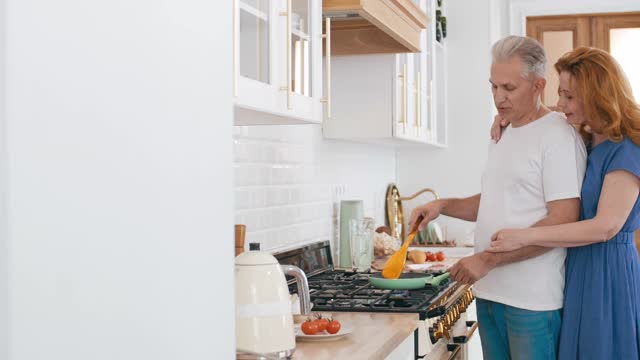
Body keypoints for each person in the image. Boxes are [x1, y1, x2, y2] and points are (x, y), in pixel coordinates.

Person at [409, 35, 587, 360]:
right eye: (493, 87)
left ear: (538, 85)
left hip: (532, 301)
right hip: (490, 293)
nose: (499, 98)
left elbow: (563, 221)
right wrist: (443, 206)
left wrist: (487, 260)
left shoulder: (558, 136)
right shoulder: (503, 132)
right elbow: (495, 200)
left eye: (509, 88)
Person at [488, 46, 640, 359]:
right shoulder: (590, 140)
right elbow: (548, 116)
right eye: (561, 94)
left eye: (570, 96)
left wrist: (524, 235)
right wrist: (508, 115)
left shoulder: (625, 150)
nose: (561, 104)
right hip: (578, 269)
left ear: (597, 95)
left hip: (607, 273)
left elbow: (605, 227)